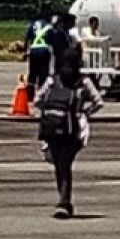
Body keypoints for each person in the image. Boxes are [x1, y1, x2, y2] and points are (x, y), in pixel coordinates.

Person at [34, 48, 103, 219]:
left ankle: (64, 202)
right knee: (60, 165)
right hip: (64, 127)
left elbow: (37, 101)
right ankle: (64, 201)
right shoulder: (82, 81)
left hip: (72, 131)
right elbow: (98, 102)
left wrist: (50, 110)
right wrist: (84, 112)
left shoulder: (54, 81)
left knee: (63, 164)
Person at [24, 14, 54, 92]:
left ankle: (30, 91)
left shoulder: (32, 25)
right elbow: (52, 41)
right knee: (43, 71)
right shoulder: (49, 26)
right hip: (44, 50)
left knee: (32, 72)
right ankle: (41, 89)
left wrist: (25, 51)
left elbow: (27, 38)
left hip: (33, 50)